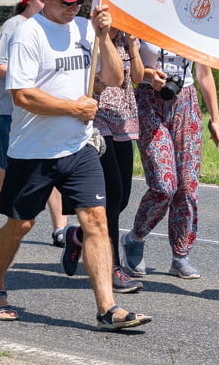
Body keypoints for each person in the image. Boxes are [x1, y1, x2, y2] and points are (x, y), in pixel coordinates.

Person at [0, 0, 151, 331]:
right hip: (34, 151)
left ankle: (108, 307)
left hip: (78, 147)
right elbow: (23, 95)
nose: (73, 8)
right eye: (66, 2)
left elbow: (115, 79)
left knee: (97, 220)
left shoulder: (84, 30)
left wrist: (104, 36)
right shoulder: (28, 34)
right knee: (20, 224)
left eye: (79, 2)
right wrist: (74, 107)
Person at [0, 0, 68, 243]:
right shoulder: (14, 25)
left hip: (40, 109)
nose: (46, 2)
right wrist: (29, 74)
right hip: (9, 109)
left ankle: (60, 228)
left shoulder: (50, 26)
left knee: (50, 163)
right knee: (5, 168)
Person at [121, 44, 219, 280]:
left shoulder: (193, 23)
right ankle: (135, 238)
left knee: (187, 185)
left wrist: (215, 118)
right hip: (148, 100)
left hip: (186, 102)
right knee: (164, 185)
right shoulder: (145, 19)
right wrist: (148, 74)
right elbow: (128, 68)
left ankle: (180, 255)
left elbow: (204, 74)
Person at [92, 28, 145, 293]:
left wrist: (134, 47)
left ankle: (82, 236)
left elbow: (137, 78)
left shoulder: (126, 39)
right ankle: (112, 267)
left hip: (124, 118)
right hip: (97, 115)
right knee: (112, 193)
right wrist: (91, 85)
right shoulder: (90, 36)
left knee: (122, 196)